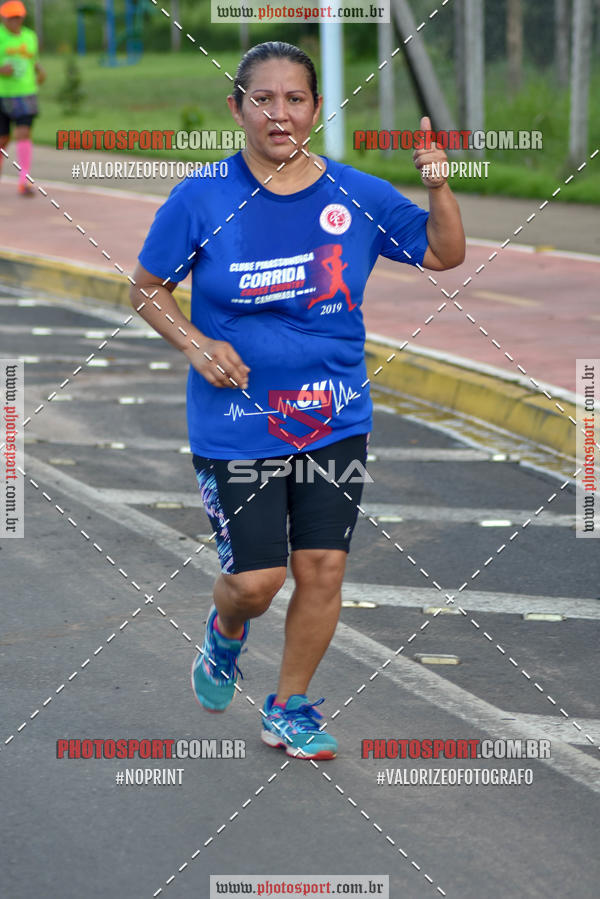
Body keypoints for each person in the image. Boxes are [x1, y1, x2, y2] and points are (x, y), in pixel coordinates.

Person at [131, 41, 465, 760]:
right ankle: (225, 633)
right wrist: (195, 343)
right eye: (264, 99)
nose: (280, 113)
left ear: (316, 107)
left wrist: (439, 186)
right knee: (256, 581)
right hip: (238, 421)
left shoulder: (356, 193)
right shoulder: (203, 198)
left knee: (323, 568)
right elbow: (144, 288)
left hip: (334, 413)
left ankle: (289, 706)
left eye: (295, 99)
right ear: (238, 107)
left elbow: (443, 254)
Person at [0, 0, 45, 196]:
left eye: (18, 17)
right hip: (3, 94)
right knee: (3, 139)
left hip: (26, 92)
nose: (15, 21)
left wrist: (39, 70)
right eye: (11, 18)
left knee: (24, 133)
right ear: (4, 18)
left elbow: (32, 59)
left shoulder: (30, 36)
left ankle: (23, 181)